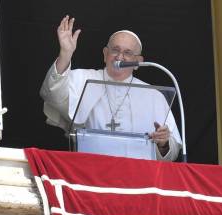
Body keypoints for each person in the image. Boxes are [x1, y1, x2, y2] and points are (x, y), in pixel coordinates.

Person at [40, 15, 181, 161]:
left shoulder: (153, 95)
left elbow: (171, 152)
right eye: (115, 50)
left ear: (138, 62)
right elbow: (52, 94)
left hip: (138, 176)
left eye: (128, 53)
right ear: (105, 54)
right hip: (90, 169)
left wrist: (163, 143)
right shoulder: (84, 78)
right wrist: (65, 54)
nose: (120, 57)